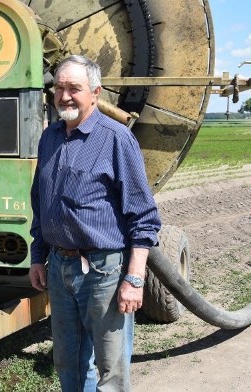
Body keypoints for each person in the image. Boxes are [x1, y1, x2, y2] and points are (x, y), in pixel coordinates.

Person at [29, 55, 162, 392]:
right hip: (60, 266)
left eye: (74, 88)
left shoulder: (116, 139)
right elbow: (40, 201)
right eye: (59, 88)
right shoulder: (50, 138)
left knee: (110, 369)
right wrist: (37, 256)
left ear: (95, 92)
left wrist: (134, 278)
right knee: (68, 362)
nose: (64, 96)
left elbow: (143, 217)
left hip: (105, 270)